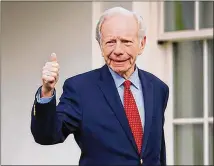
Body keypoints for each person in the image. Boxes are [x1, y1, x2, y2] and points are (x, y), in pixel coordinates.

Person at [31, 7, 169, 166]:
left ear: (141, 43)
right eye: (110, 42)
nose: (118, 50)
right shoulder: (80, 89)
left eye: (126, 42)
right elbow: (47, 135)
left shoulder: (158, 88)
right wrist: (47, 92)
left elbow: (157, 152)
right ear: (100, 45)